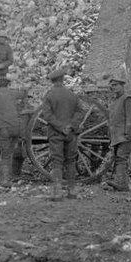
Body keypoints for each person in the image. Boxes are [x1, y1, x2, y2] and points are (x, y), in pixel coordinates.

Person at [41, 68, 79, 200]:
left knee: (57, 161)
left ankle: (57, 193)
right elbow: (80, 112)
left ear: (52, 81)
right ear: (62, 80)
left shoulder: (49, 95)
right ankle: (72, 191)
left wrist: (61, 127)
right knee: (71, 161)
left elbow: (47, 115)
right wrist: (71, 126)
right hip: (71, 134)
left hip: (56, 134)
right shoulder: (72, 95)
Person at [104, 74, 131, 192]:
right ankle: (118, 181)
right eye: (112, 85)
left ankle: (122, 184)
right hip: (117, 136)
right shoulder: (115, 101)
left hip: (124, 135)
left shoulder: (128, 99)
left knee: (121, 159)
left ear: (122, 85)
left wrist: (128, 134)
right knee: (119, 159)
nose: (113, 87)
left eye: (116, 85)